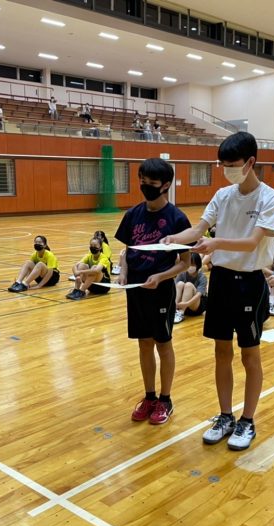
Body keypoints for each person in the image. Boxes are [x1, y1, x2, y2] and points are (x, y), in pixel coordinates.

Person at [162, 132, 274, 450]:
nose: (226, 170)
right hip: (221, 281)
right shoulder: (223, 195)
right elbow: (198, 230)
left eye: (231, 164)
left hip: (249, 283)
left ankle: (248, 421)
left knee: (249, 354)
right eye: (222, 165)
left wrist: (215, 243)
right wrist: (175, 238)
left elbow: (252, 242)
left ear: (250, 163)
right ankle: (226, 415)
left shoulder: (270, 199)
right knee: (221, 352)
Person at [115, 158, 191, 426]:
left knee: (162, 343)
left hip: (161, 290)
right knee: (144, 343)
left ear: (166, 185)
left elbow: (185, 263)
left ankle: (165, 399)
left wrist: (161, 276)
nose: (145, 186)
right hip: (135, 289)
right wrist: (123, 270)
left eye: (151, 183)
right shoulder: (132, 214)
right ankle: (149, 397)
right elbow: (126, 251)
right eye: (142, 181)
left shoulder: (177, 219)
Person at [174, 253, 208, 323]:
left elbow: (199, 295)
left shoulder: (202, 277)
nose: (190, 267)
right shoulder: (182, 274)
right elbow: (174, 289)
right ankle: (174, 311)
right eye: (189, 264)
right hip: (181, 304)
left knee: (188, 285)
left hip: (196, 306)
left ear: (198, 265)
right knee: (180, 284)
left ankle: (181, 313)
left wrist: (186, 304)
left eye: (193, 265)